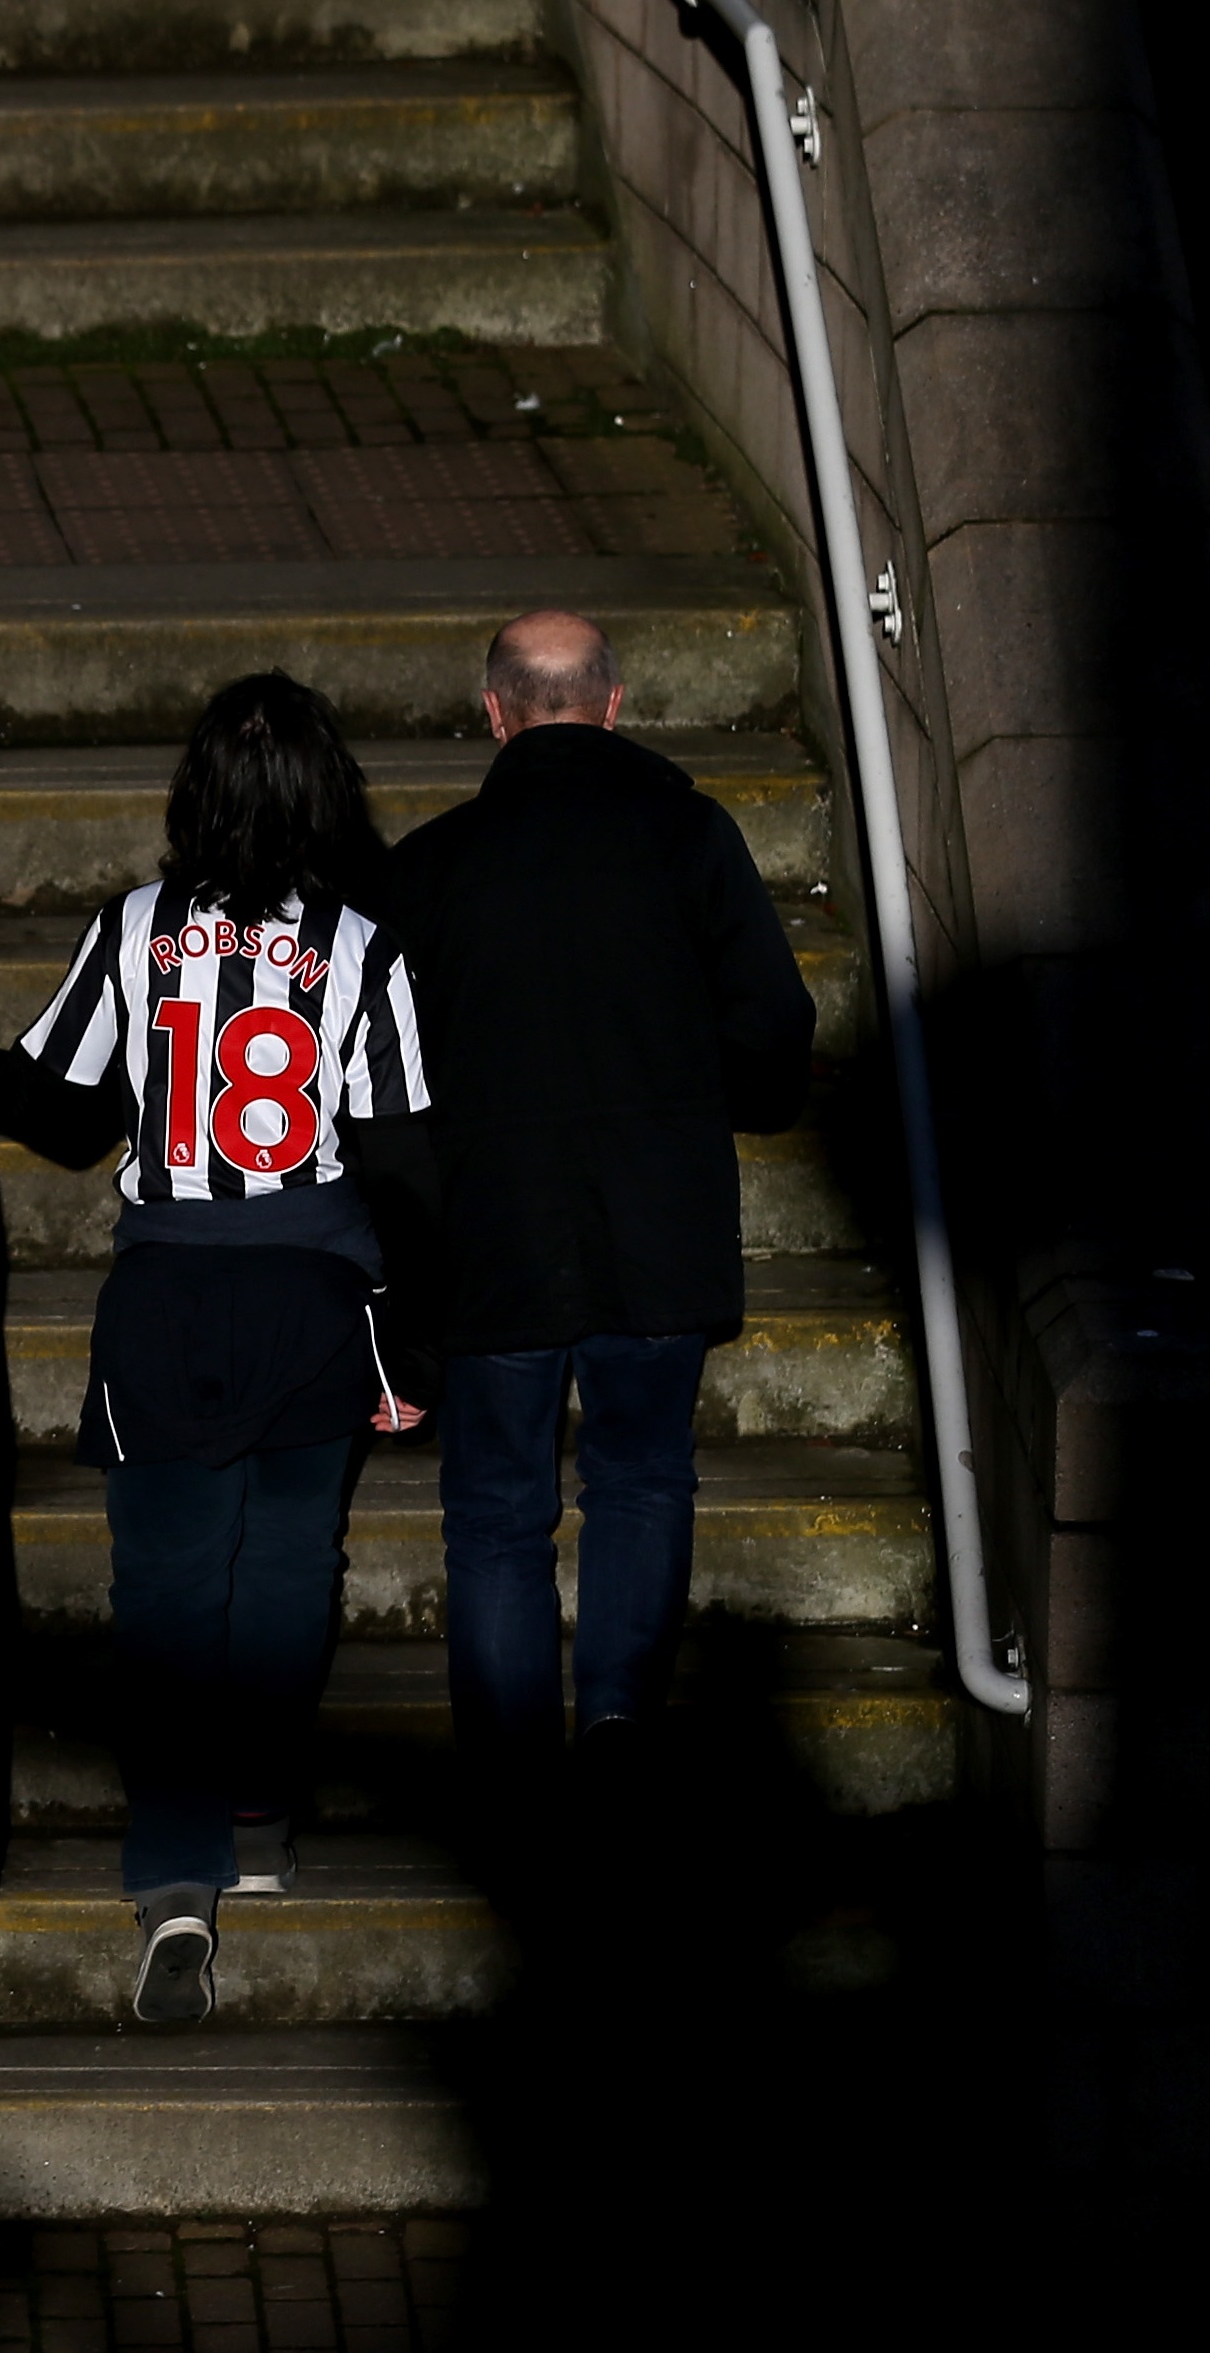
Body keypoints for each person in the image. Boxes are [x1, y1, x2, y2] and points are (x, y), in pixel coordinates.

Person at [0, 672, 435, 2024]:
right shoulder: (369, 946)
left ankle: (177, 1871)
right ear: (326, 797)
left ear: (193, 791)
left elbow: (71, 1114)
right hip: (317, 1296)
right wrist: (413, 1347)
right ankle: (258, 1814)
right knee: (290, 1566)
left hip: (168, 1298)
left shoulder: (134, 927)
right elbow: (410, 1159)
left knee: (168, 1592)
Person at [370, 610, 815, 1784]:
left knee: (496, 1519)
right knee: (640, 1478)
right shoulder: (689, 839)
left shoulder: (424, 868)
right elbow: (776, 1037)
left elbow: (376, 1085)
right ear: (612, 704)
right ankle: (616, 1726)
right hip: (654, 1229)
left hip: (489, 1238)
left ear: (493, 712)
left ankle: (512, 1775)